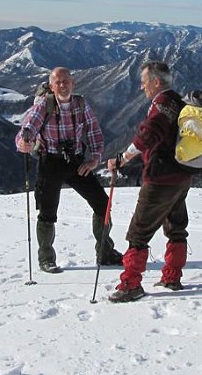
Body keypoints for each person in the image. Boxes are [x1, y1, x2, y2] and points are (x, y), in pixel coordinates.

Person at [15, 67, 123, 273]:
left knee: (102, 204)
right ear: (52, 86)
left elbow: (95, 134)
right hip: (51, 162)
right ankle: (46, 258)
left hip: (75, 161)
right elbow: (27, 129)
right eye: (58, 82)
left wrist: (94, 160)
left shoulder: (81, 104)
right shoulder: (43, 105)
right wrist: (23, 143)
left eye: (66, 81)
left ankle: (105, 252)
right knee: (47, 212)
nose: (63, 85)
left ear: (73, 83)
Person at [106, 61, 191, 302]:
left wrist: (123, 157)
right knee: (176, 227)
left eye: (144, 83)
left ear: (156, 82)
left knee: (139, 232)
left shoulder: (162, 105)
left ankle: (131, 283)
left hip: (160, 177)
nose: (142, 88)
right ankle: (172, 276)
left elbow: (148, 134)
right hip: (182, 175)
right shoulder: (178, 101)